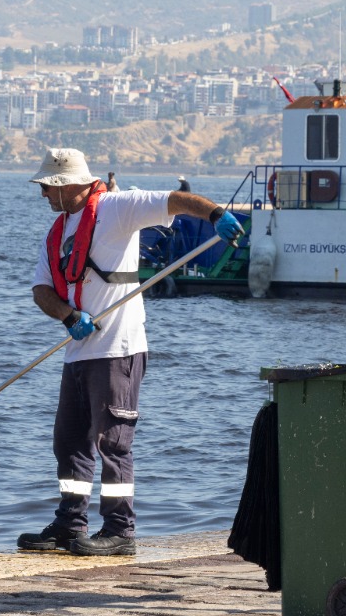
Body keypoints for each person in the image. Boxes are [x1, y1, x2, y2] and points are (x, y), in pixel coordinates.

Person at [18, 148, 242, 557]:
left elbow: (174, 202)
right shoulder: (57, 231)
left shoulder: (118, 208)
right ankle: (71, 522)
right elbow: (40, 290)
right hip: (79, 350)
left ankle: (120, 530)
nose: (44, 195)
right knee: (69, 441)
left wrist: (214, 215)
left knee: (113, 441)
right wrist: (68, 316)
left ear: (70, 186)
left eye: (49, 188)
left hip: (118, 348)